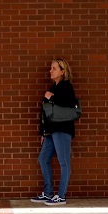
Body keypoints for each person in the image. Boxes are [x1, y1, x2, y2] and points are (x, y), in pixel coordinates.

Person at [31, 58, 78, 206]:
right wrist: (43, 132)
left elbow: (70, 104)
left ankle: (61, 196)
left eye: (54, 68)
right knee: (43, 159)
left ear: (62, 72)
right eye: (51, 68)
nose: (50, 71)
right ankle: (48, 192)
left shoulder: (66, 87)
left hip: (62, 130)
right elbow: (45, 113)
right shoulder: (53, 88)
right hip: (51, 132)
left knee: (64, 163)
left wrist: (52, 97)